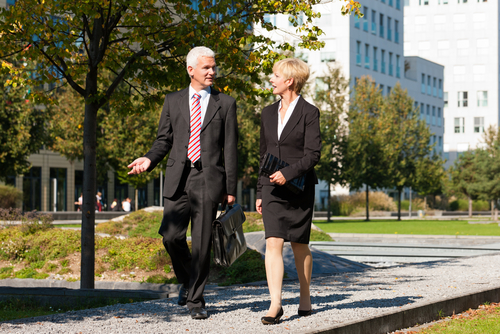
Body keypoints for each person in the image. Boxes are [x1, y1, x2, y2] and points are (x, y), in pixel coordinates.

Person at [127, 46, 238, 320]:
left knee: (202, 243)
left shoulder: (226, 103)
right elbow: (163, 140)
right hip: (178, 178)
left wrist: (231, 189)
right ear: (191, 70)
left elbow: (230, 148)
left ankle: (196, 300)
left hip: (209, 180)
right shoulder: (172, 100)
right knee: (171, 237)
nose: (212, 72)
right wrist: (149, 160)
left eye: (214, 67)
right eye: (206, 68)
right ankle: (189, 282)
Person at [255, 58, 321, 325]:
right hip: (272, 187)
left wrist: (289, 173)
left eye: (275, 75)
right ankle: (275, 304)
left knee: (299, 244)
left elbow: (313, 154)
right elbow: (263, 153)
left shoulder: (309, 112)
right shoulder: (267, 113)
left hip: (299, 187)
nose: (271, 79)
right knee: (273, 242)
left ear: (290, 80)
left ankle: (305, 298)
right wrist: (260, 190)